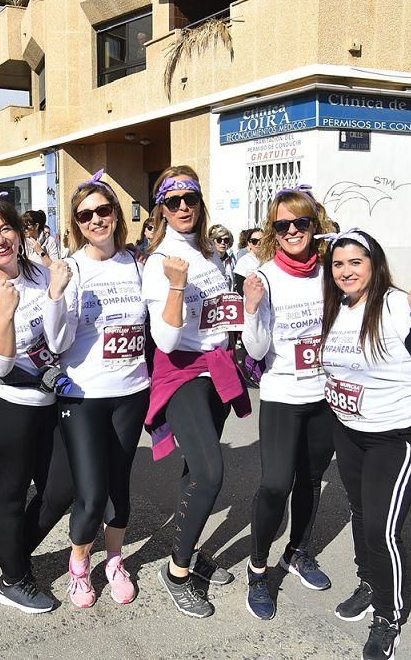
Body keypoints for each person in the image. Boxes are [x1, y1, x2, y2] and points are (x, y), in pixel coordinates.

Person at [319, 228, 411, 660]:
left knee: (381, 527)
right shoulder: (336, 307)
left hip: (400, 434)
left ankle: (388, 616)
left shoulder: (394, 305)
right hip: (351, 431)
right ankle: (371, 582)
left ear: (374, 264)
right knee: (360, 514)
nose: (346, 271)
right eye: (338, 264)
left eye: (356, 262)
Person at [142, 165, 250, 618]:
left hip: (216, 370)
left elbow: (221, 317)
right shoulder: (158, 261)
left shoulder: (210, 255)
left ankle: (189, 549)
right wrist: (175, 284)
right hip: (182, 373)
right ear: (161, 209)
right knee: (210, 473)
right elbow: (165, 341)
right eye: (173, 200)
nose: (183, 207)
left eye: (190, 198)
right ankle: (178, 569)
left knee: (194, 473)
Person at [42, 170, 149, 609]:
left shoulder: (139, 264)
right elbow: (56, 342)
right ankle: (79, 565)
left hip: (131, 389)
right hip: (83, 394)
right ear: (76, 224)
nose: (95, 220)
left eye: (103, 211)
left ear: (116, 216)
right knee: (89, 492)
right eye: (85, 216)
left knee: (119, 486)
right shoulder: (72, 268)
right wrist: (55, 294)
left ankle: (115, 560)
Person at [0, 196, 73, 614]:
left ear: (19, 230)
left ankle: (13, 554)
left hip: (47, 402)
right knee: (8, 497)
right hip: (4, 409)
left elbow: (60, 343)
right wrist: (5, 314)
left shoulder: (42, 274)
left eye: (4, 228)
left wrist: (56, 295)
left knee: (62, 488)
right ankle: (13, 579)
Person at [240, 186, 337, 620]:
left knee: (311, 480)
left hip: (326, 397)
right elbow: (257, 351)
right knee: (276, 484)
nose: (293, 230)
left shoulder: (331, 271)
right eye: (283, 225)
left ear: (315, 226)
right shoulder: (264, 277)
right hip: (283, 395)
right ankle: (258, 569)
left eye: (301, 222)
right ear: (273, 232)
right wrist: (252, 308)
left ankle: (297, 552)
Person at [233, 227, 262, 293]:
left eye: (262, 241)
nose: (258, 244)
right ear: (249, 243)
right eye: (254, 241)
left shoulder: (269, 259)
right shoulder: (243, 261)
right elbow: (240, 288)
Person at [208, 224, 236, 289]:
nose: (223, 243)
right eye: (219, 240)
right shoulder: (209, 260)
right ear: (213, 241)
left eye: (226, 240)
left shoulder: (230, 259)